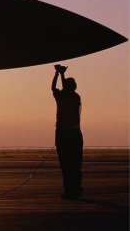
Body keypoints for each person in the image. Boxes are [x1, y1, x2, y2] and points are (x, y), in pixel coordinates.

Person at [51, 64, 84, 199]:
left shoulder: (66, 97)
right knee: (75, 163)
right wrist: (61, 74)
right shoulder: (76, 97)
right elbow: (63, 89)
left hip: (63, 134)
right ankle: (75, 188)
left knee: (66, 163)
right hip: (75, 134)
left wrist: (58, 74)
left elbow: (54, 88)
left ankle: (70, 190)